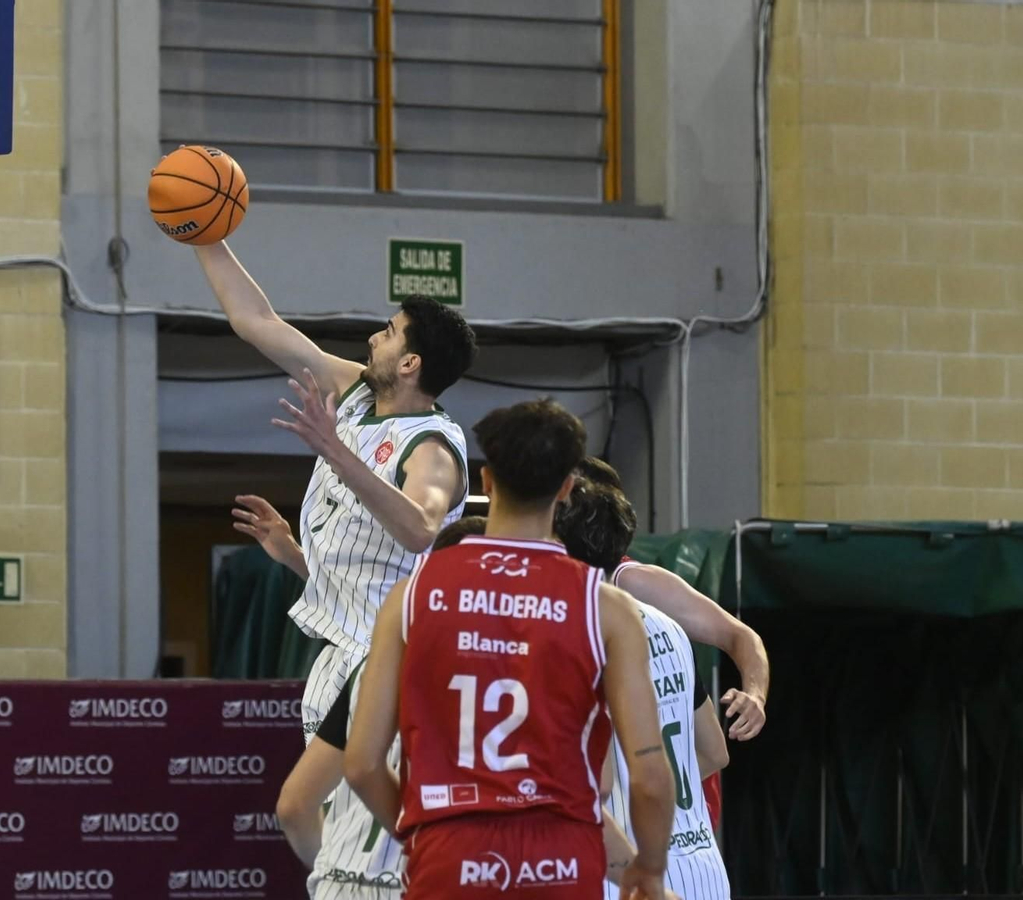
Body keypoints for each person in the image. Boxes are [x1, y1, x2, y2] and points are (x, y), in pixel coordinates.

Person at [345, 399, 675, 900]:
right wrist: (648, 867)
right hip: (561, 858)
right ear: (566, 488)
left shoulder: (411, 596)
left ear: (486, 481)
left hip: (449, 851)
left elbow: (363, 765)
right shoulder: (607, 609)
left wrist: (422, 833)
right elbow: (650, 775)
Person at [200, 240, 477, 747]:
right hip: (343, 651)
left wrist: (335, 451)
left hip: (393, 658)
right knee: (322, 818)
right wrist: (205, 238)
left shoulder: (432, 447)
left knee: (315, 812)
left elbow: (420, 530)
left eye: (389, 333)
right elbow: (256, 322)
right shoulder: (359, 394)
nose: (374, 338)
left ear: (410, 362)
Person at [272, 512, 492, 899]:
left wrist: (333, 866)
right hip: (429, 880)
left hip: (340, 880)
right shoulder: (502, 682)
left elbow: (294, 807)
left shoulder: (370, 670)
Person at [554, 481, 734, 899]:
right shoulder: (668, 627)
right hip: (704, 868)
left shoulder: (576, 635)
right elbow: (713, 751)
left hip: (630, 871)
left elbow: (593, 785)